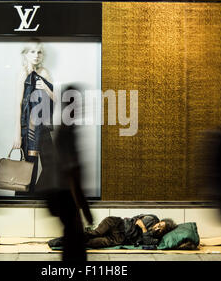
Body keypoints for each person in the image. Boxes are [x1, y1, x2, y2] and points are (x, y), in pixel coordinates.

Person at [44, 85, 93, 261]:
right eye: (77, 103)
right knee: (75, 246)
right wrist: (83, 206)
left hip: (64, 196)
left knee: (73, 244)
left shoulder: (67, 130)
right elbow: (71, 174)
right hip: (65, 196)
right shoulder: (66, 132)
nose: (80, 108)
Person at [12, 41, 56, 195]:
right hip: (28, 128)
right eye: (32, 52)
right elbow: (18, 105)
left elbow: (56, 98)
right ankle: (24, 199)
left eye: (39, 52)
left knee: (51, 165)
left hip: (42, 127)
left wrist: (45, 87)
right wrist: (17, 134)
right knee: (29, 166)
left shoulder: (45, 72)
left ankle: (37, 194)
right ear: (25, 54)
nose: (36, 55)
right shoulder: (22, 74)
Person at [48, 215, 177, 249]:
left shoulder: (156, 239)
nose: (158, 227)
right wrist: (142, 226)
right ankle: (61, 240)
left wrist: (143, 229)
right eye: (160, 224)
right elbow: (136, 219)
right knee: (95, 233)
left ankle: (65, 243)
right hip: (117, 223)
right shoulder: (153, 218)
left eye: (161, 228)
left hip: (120, 238)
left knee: (93, 242)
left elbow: (147, 242)